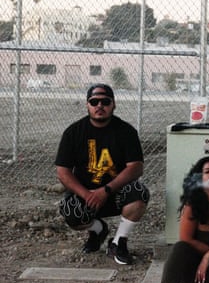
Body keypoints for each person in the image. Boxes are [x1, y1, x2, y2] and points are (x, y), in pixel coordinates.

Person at [56, 83, 150, 265]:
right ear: (87, 105)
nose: (100, 106)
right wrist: (87, 194)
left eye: (105, 101)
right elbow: (62, 171)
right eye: (94, 101)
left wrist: (105, 190)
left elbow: (136, 167)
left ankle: (118, 242)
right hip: (87, 193)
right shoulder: (73, 132)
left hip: (115, 192)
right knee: (70, 211)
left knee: (140, 192)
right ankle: (98, 229)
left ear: (113, 104)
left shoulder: (126, 131)